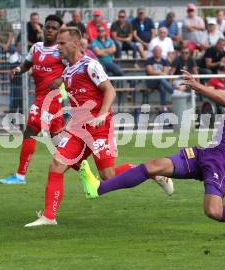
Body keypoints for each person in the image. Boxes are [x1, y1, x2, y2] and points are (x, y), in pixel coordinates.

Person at [78, 60, 225, 236]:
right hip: (208, 153)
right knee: (153, 166)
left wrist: (198, 87)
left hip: (222, 160)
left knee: (213, 211)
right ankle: (98, 189)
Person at [24, 27, 173, 227]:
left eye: (62, 43)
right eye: (57, 43)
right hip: (78, 130)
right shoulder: (68, 70)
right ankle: (49, 216)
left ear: (75, 44)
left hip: (99, 128)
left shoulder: (90, 65)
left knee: (108, 177)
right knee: (56, 165)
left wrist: (102, 114)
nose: (57, 47)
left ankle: (152, 172)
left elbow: (109, 90)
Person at [0, 15, 66, 185]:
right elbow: (27, 65)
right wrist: (17, 69)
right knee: (58, 141)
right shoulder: (36, 48)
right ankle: (84, 169)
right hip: (43, 98)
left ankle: (20, 176)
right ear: (43, 29)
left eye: (54, 28)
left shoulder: (61, 50)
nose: (50, 30)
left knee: (30, 132)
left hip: (49, 99)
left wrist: (61, 78)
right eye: (48, 27)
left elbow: (74, 67)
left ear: (59, 32)